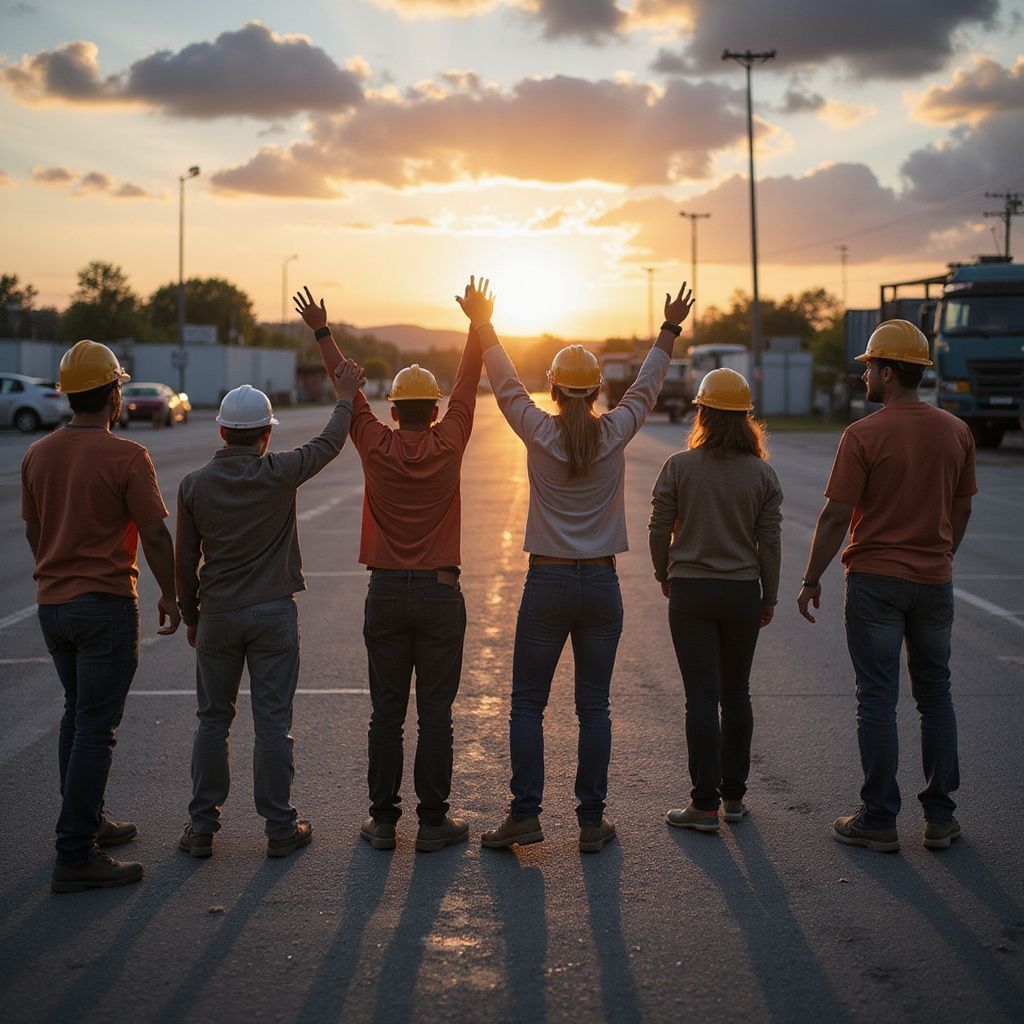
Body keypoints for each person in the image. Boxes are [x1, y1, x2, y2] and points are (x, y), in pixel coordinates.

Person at [472, 280, 694, 853]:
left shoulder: (538, 430)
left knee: (528, 704)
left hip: (547, 580)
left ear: (552, 389)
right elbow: (646, 388)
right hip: (600, 581)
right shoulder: (614, 432)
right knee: (594, 706)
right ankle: (591, 823)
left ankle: (525, 815)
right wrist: (669, 329)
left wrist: (484, 323)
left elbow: (505, 385)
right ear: (598, 391)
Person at [294, 282, 484, 853]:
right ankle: (432, 822)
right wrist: (477, 324)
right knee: (436, 714)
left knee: (386, 714)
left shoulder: (374, 443)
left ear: (394, 411)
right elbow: (468, 384)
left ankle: (382, 822)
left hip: (385, 594)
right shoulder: (450, 442)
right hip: (440, 592)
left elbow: (348, 389)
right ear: (436, 411)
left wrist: (323, 332)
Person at [798, 320, 976, 853]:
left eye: (870, 367)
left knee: (877, 698)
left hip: (876, 580)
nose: (865, 376)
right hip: (934, 580)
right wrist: (942, 554)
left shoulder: (862, 434)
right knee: (935, 695)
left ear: (889, 372)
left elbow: (836, 515)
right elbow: (962, 506)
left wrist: (811, 577)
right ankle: (940, 818)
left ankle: (878, 818)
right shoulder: (956, 431)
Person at [175, 362, 365, 859]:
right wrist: (345, 396)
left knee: (212, 720)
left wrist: (192, 617)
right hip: (273, 613)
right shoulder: (279, 473)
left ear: (222, 432)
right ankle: (280, 828)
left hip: (217, 615)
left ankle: (202, 828)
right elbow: (329, 443)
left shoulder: (194, 485)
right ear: (265, 435)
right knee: (273, 723)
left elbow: (184, 561)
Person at [21, 340, 180, 893]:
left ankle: (87, 819)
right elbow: (155, 534)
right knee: (95, 726)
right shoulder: (127, 456)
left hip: (53, 606)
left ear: (68, 395)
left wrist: (55, 571)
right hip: (105, 606)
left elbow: (34, 530)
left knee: (77, 713)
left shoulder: (37, 453)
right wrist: (172, 594)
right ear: (114, 395)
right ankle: (75, 853)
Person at [648, 368, 782, 833]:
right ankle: (734, 799)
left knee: (701, 697)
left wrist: (663, 572)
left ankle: (703, 805)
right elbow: (770, 542)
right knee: (736, 693)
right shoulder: (763, 474)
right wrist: (770, 595)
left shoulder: (679, 466)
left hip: (691, 591)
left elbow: (658, 528)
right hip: (742, 591)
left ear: (701, 413)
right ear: (746, 418)